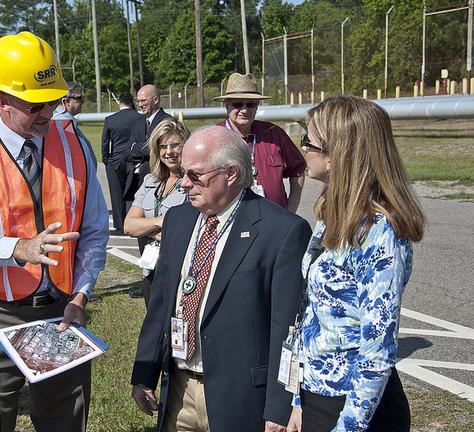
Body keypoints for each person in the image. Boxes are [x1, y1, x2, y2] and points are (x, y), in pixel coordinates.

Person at [0, 31, 108, 432]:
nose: (48, 112)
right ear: (2, 99)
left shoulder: (75, 144)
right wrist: (19, 249)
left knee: (64, 422)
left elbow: (94, 232)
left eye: (54, 100)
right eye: (35, 105)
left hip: (60, 313)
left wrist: (81, 293)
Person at [131, 125, 311, 432]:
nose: (184, 183)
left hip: (241, 400)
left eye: (195, 175)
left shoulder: (281, 231)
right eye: (183, 173)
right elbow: (161, 303)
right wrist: (144, 375)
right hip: (179, 392)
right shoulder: (178, 220)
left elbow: (287, 329)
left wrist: (280, 406)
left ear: (231, 174)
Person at [286, 96, 426, 432]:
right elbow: (312, 314)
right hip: (316, 395)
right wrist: (297, 399)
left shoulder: (380, 233)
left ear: (337, 155)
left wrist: (348, 426)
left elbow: (378, 348)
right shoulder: (333, 215)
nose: (303, 148)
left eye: (308, 141)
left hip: (354, 408)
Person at [213, 73, 306, 212]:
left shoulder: (274, 134)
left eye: (250, 104)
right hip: (231, 219)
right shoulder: (213, 137)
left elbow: (297, 171)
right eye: (238, 104)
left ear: (257, 107)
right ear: (227, 106)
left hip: (275, 218)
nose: (244, 110)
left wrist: (291, 211)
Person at [123, 119, 189, 306]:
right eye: (163, 146)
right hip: (151, 269)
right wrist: (162, 222)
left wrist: (146, 227)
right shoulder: (150, 181)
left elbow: (186, 231)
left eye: (175, 145)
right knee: (152, 321)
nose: (169, 152)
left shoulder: (193, 183)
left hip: (179, 271)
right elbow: (129, 226)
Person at [101, 92, 145, 235]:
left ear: (119, 102)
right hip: (135, 158)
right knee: (133, 191)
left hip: (116, 159)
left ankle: (120, 226)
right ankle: (133, 222)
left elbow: (105, 142)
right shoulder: (140, 118)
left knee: (116, 193)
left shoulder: (110, 119)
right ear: (132, 102)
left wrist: (106, 159)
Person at [126, 84, 174, 200]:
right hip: (135, 181)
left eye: (143, 101)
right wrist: (148, 148)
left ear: (155, 100)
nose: (140, 105)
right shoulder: (138, 122)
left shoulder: (167, 121)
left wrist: (138, 147)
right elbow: (129, 149)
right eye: (138, 101)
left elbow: (158, 148)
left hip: (158, 179)